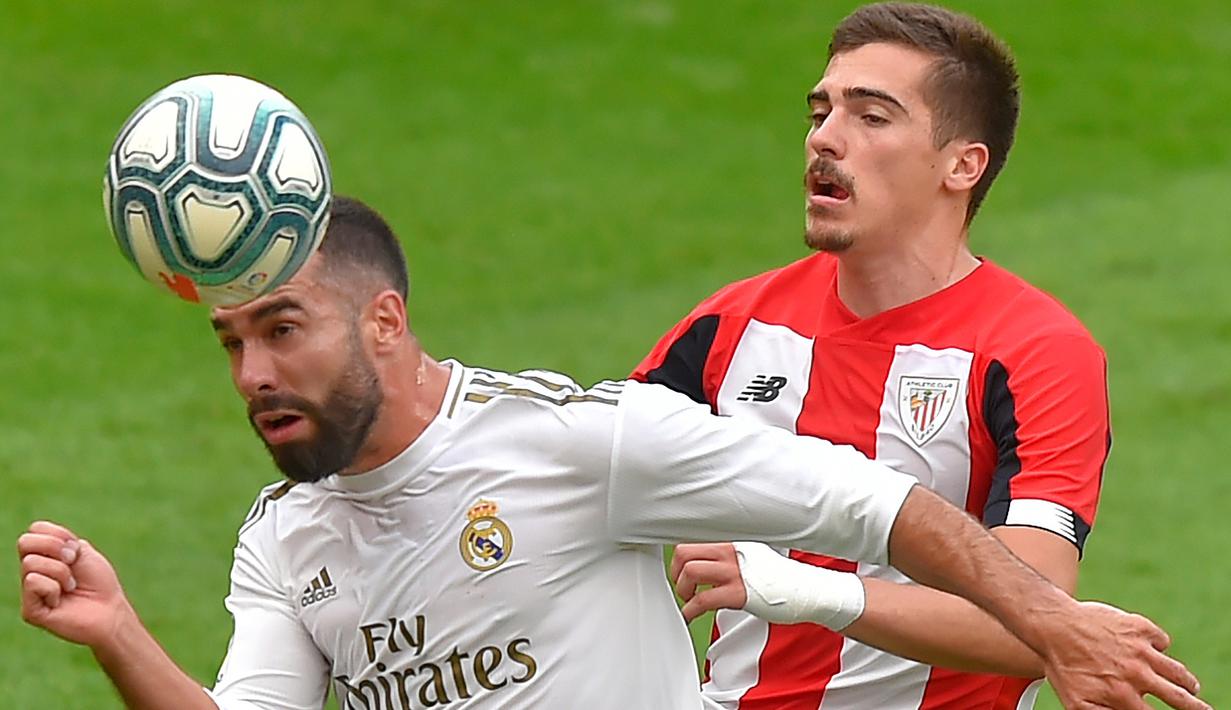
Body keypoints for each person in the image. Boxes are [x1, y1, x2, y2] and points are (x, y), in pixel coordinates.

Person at [18, 197, 1204, 710]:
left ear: (384, 320)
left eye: (282, 331)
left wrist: (1048, 624)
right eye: (232, 342)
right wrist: (121, 635)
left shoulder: (580, 443)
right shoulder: (287, 538)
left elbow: (873, 502)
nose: (254, 376)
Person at [633, 2, 1161, 709]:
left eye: (870, 117)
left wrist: (798, 591)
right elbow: (581, 486)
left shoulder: (1034, 352)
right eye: (819, 112)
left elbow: (1036, 621)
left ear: (961, 165)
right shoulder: (730, 325)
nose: (825, 138)